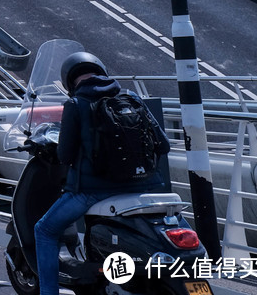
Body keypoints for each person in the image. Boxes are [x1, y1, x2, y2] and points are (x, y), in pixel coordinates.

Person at [33, 51, 171, 295]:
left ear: (69, 81)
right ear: (101, 71)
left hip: (94, 192)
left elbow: (64, 155)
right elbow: (164, 145)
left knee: (44, 230)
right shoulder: (131, 98)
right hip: (145, 188)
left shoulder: (76, 105)